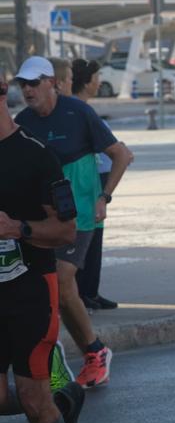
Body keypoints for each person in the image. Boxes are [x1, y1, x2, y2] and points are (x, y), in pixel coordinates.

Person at [14, 56, 133, 389]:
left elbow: (121, 154)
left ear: (52, 82)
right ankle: (58, 359)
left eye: (34, 83)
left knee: (64, 283)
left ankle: (95, 352)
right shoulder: (22, 122)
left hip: (78, 216)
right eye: (22, 84)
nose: (27, 89)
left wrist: (104, 197)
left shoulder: (78, 112)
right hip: (41, 218)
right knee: (47, 291)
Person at [0, 73, 86, 423]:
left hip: (31, 290)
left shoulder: (36, 157)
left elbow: (67, 232)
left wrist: (18, 229)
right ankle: (64, 400)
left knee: (32, 397)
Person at [71, 58, 120, 312]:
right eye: (97, 77)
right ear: (88, 82)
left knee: (95, 238)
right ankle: (81, 294)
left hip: (96, 179)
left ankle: (91, 291)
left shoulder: (84, 109)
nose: (99, 81)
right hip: (85, 180)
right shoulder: (78, 111)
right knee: (84, 241)